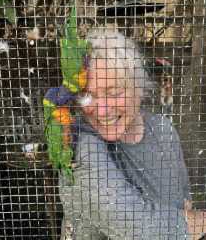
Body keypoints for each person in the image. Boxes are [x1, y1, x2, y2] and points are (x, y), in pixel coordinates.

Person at [58, 27, 203, 240]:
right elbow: (139, 228)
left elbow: (184, 201)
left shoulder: (162, 128)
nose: (101, 110)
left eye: (114, 92)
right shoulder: (78, 142)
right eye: (87, 96)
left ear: (138, 86)